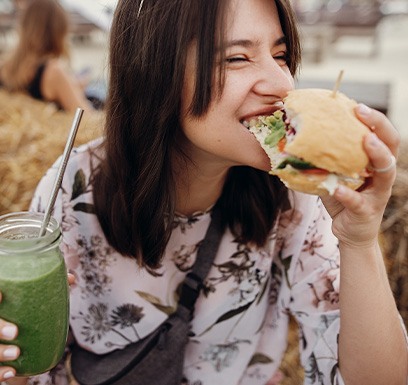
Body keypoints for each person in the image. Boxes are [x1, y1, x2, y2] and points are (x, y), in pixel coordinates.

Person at [0, 0, 407, 384]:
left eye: (280, 55)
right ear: (156, 71)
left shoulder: (297, 192)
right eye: (237, 57)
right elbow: (36, 368)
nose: (282, 82)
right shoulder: (74, 188)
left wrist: (360, 238)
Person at [0, 0, 94, 112]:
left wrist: (71, 86)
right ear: (58, 31)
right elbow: (87, 117)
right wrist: (76, 90)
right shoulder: (53, 71)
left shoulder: (4, 66)